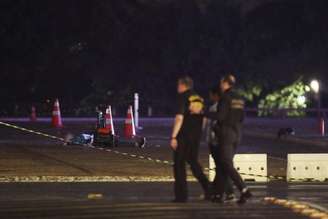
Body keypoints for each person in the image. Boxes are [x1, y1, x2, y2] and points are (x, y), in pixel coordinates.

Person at [207, 74, 252, 204]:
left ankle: (244, 189)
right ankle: (218, 195)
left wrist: (204, 113)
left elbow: (220, 117)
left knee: (226, 163)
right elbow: (242, 117)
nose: (220, 85)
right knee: (222, 164)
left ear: (225, 83)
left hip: (226, 134)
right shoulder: (239, 98)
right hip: (237, 134)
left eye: (221, 82)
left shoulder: (225, 97)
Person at [170, 76, 210, 202]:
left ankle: (181, 196)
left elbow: (179, 118)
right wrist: (199, 133)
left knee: (179, 165)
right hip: (195, 137)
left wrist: (174, 136)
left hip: (183, 136)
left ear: (182, 85)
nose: (177, 87)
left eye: (178, 85)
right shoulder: (199, 98)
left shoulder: (183, 97)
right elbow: (204, 118)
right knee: (193, 162)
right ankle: (209, 189)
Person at [205, 87, 235, 202]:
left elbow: (216, 122)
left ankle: (226, 192)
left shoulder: (218, 107)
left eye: (211, 95)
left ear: (215, 95)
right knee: (220, 167)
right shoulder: (218, 106)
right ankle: (218, 192)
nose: (210, 97)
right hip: (215, 140)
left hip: (216, 141)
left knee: (221, 167)